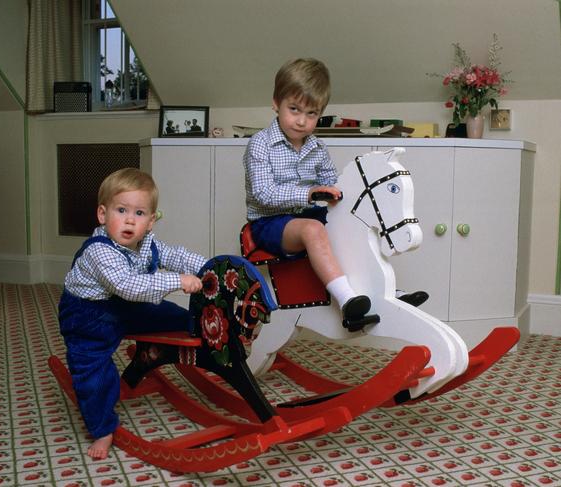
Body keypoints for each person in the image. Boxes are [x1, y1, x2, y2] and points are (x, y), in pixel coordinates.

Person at [243, 58, 427, 331]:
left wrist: (340, 195)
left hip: (309, 215)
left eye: (311, 114)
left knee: (352, 225)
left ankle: (385, 295)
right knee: (314, 229)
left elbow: (330, 183)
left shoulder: (317, 147)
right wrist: (309, 194)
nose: (302, 121)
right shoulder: (260, 145)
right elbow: (263, 193)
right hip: (269, 223)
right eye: (294, 110)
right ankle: (347, 300)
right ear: (275, 103)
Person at [58, 168, 206, 460]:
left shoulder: (147, 243)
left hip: (126, 305)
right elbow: (127, 285)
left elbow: (175, 255)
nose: (129, 219)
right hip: (89, 316)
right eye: (121, 210)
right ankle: (102, 428)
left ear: (150, 221)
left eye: (139, 213)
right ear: (102, 214)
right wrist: (177, 281)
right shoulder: (100, 251)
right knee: (93, 373)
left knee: (176, 317)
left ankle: (157, 348)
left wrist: (208, 266)